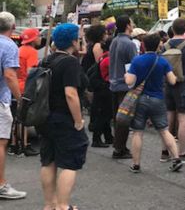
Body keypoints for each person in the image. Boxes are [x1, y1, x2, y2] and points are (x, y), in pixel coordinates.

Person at [39, 23, 90, 209]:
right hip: (64, 118)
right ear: (73, 41)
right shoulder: (69, 62)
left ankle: (50, 204)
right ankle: (63, 206)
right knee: (70, 163)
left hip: (44, 117)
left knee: (48, 160)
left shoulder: (47, 60)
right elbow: (71, 93)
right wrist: (78, 120)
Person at [125, 33, 184, 174]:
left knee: (137, 132)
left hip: (140, 100)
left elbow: (129, 81)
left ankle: (136, 164)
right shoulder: (162, 61)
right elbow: (172, 81)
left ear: (144, 45)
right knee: (164, 130)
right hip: (158, 98)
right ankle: (176, 158)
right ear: (158, 45)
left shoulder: (137, 60)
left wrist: (126, 75)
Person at [162, 18, 185, 163]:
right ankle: (181, 152)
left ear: (172, 29)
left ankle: (165, 151)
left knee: (169, 117)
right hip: (183, 84)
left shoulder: (165, 46)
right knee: (183, 119)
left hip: (168, 83)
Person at [0, 12, 25, 200]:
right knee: (1, 143)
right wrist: (20, 98)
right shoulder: (9, 46)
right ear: (13, 27)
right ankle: (1, 185)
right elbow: (10, 76)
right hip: (0, 99)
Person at [108, 15, 137, 159]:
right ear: (127, 25)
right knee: (124, 119)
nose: (133, 25)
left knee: (117, 118)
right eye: (131, 23)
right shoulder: (129, 44)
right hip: (124, 85)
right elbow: (134, 66)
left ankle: (118, 146)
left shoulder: (114, 41)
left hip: (113, 82)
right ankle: (119, 149)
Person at [83, 25, 112, 149]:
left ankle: (108, 135)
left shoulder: (92, 45)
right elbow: (100, 64)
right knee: (102, 110)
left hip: (94, 81)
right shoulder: (98, 46)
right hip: (98, 82)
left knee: (102, 110)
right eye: (104, 33)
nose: (106, 35)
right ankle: (98, 137)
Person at [13, 28, 41, 156]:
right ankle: (24, 145)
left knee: (16, 117)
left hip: (14, 85)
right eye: (38, 36)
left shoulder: (18, 50)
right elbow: (31, 72)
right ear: (33, 39)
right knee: (23, 117)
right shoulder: (32, 52)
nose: (40, 38)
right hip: (25, 86)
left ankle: (14, 144)